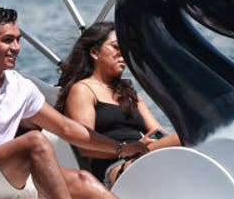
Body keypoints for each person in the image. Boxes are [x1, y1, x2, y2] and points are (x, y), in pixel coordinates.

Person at [0, 6, 146, 199]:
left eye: (18, 40)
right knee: (35, 141)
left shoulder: (18, 85)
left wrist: (120, 148)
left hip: (7, 174)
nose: (16, 47)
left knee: (83, 182)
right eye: (7, 40)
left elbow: (66, 128)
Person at [56, 22, 178, 186]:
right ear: (94, 52)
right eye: (115, 47)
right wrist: (127, 148)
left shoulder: (128, 92)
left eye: (125, 49)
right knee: (194, 136)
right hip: (114, 167)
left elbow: (158, 131)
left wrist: (158, 141)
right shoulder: (83, 90)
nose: (123, 54)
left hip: (142, 155)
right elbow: (85, 146)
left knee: (192, 137)